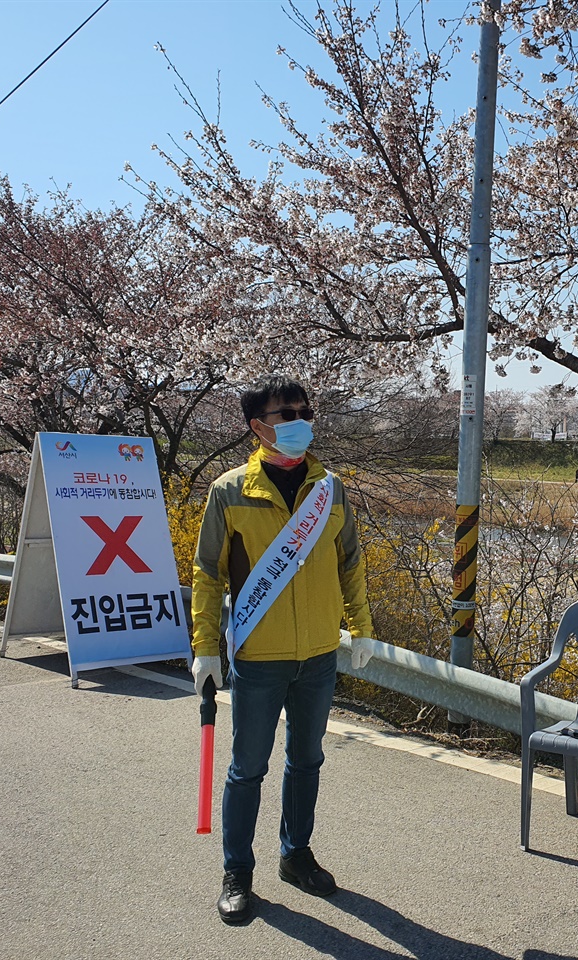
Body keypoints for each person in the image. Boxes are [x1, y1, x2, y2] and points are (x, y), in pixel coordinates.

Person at [190, 374, 375, 925]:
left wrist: (361, 628)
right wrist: (205, 647)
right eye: (283, 415)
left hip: (318, 654)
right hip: (258, 657)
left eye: (302, 411)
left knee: (307, 760)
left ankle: (296, 855)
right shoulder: (229, 491)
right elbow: (206, 575)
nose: (298, 422)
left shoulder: (330, 489)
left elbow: (351, 562)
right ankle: (236, 872)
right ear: (257, 427)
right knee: (247, 768)